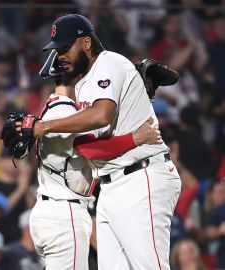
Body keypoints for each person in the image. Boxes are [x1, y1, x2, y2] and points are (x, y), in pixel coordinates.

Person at [26, 14, 181, 270]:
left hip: (141, 176)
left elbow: (101, 115)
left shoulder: (107, 62)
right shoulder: (84, 85)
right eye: (57, 49)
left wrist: (44, 126)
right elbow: (86, 147)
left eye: (65, 48)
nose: (60, 55)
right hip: (110, 187)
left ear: (86, 43)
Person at [27, 83, 160, 270]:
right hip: (64, 212)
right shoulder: (64, 109)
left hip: (56, 209)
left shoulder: (55, 107)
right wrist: (135, 138)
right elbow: (88, 148)